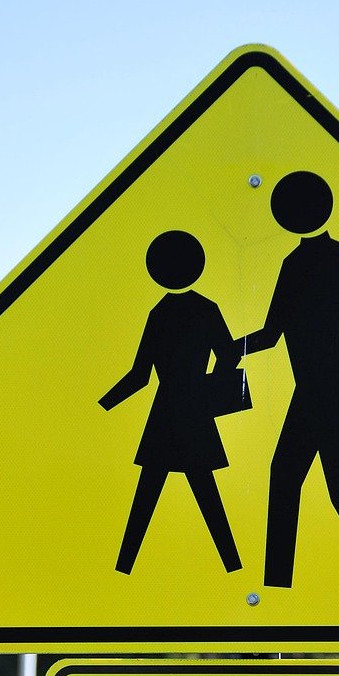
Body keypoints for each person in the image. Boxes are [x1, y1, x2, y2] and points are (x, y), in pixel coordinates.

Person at [236, 171, 339, 590]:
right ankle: (282, 586)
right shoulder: (319, 260)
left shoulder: (309, 263)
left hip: (326, 391)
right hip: (322, 392)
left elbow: (271, 335)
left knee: (330, 487)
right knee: (310, 482)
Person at [99, 230, 242, 574]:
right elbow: (228, 356)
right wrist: (205, 390)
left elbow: (140, 375)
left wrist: (105, 404)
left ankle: (124, 568)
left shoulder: (160, 313)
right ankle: (232, 566)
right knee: (199, 491)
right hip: (192, 411)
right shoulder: (204, 309)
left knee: (155, 493)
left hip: (168, 413)